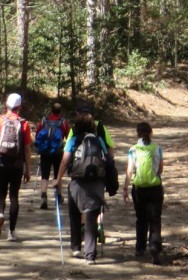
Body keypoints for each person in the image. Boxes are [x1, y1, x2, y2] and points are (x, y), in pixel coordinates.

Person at [55, 104, 111, 265]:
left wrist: (58, 179)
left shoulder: (73, 138)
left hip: (77, 181)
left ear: (76, 125)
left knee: (74, 213)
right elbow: (108, 159)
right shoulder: (98, 139)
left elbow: (65, 161)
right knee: (91, 216)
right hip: (96, 181)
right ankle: (90, 256)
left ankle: (75, 247)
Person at [0, 93, 33, 242]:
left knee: (1, 194)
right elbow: (26, 149)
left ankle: (0, 213)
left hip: (0, 163)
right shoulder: (24, 124)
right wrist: (28, 170)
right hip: (17, 165)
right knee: (14, 196)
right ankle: (11, 232)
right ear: (19, 107)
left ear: (6, 106)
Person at [124, 121, 164, 265]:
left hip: (139, 189)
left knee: (141, 219)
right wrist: (156, 176)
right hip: (155, 188)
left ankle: (140, 248)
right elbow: (161, 169)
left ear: (137, 133)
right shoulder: (157, 148)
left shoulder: (133, 149)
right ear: (151, 132)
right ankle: (154, 247)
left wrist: (125, 188)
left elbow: (129, 171)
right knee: (155, 219)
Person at [35, 100, 70, 209]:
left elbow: (37, 135)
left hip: (45, 151)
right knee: (57, 175)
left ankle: (44, 196)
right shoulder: (63, 122)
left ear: (51, 110)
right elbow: (68, 136)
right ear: (60, 111)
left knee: (44, 175)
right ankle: (58, 197)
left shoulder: (44, 121)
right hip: (58, 152)